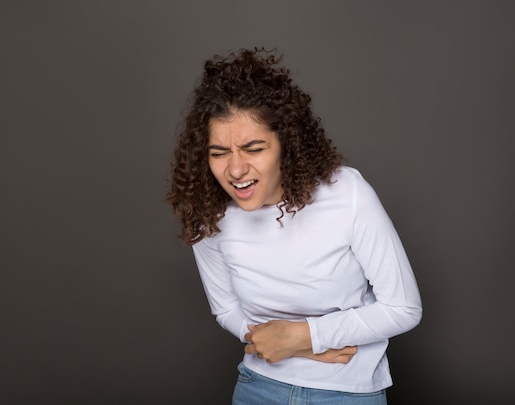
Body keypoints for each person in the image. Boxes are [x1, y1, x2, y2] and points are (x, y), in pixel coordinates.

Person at [166, 48, 422, 405]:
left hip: (347, 393)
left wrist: (303, 337)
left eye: (253, 148)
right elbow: (226, 309)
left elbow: (403, 308)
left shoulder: (346, 193)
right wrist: (291, 347)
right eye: (219, 152)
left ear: (286, 144)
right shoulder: (210, 212)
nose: (235, 170)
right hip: (258, 386)